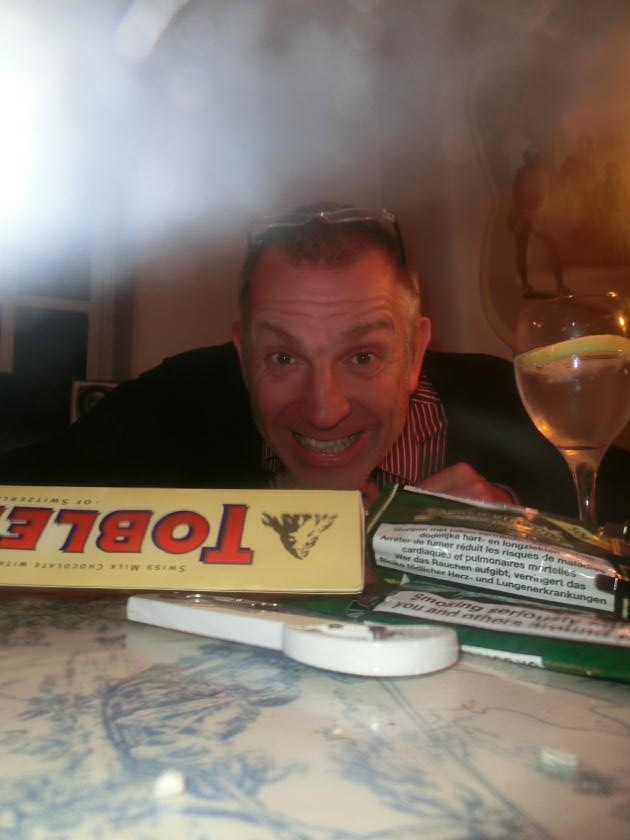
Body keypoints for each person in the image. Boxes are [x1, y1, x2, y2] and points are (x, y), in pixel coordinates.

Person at [0, 203, 627, 522]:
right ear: (243, 356)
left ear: (415, 354)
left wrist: (523, 534)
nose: (324, 411)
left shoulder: (514, 405)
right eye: (282, 356)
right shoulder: (177, 401)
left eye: (363, 356)